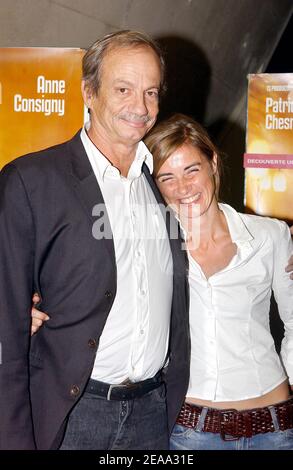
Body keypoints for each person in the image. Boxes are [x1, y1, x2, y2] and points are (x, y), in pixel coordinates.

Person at [0, 31, 190, 450]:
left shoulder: (162, 186)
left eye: (151, 92)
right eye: (123, 89)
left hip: (154, 415)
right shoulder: (31, 181)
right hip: (71, 417)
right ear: (89, 91)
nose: (140, 107)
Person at [143, 113, 293, 450]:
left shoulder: (269, 236)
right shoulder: (150, 247)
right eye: (167, 177)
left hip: (274, 428)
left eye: (191, 170)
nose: (182, 188)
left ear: (212, 161)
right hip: (191, 433)